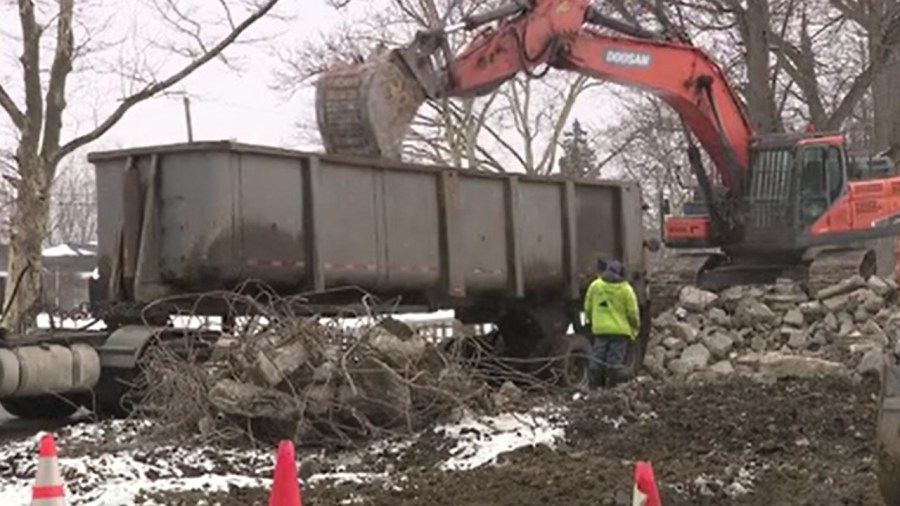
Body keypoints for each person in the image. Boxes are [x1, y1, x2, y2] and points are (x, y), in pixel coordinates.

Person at [583, 258, 640, 388]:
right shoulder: (626, 289)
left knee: (597, 360)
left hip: (600, 330)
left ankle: (593, 388)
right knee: (614, 363)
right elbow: (633, 312)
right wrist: (634, 328)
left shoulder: (595, 286)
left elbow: (588, 307)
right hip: (620, 332)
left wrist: (591, 322)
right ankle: (610, 389)